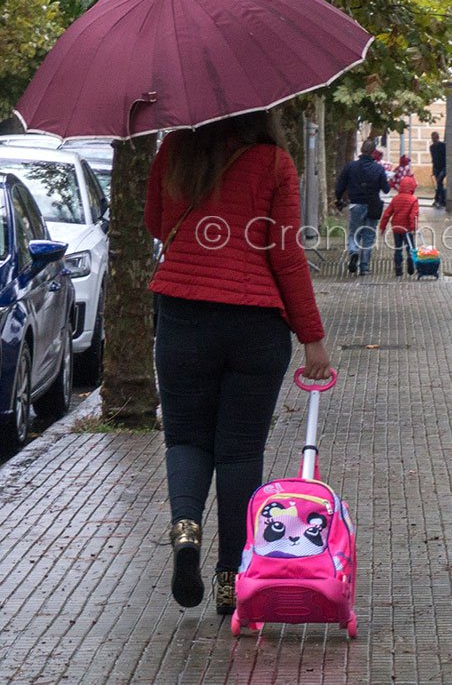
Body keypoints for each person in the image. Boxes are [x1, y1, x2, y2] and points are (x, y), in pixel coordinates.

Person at [145, 110, 332, 616]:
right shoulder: (273, 162)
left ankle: (186, 532)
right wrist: (312, 337)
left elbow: (157, 225)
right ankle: (232, 576)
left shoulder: (175, 151)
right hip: (255, 327)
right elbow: (286, 256)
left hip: (182, 316)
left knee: (185, 439)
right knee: (239, 452)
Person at [334, 138, 391, 275]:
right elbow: (386, 189)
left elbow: (340, 186)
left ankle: (354, 252)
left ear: (361, 150)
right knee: (368, 236)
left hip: (355, 205)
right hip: (372, 206)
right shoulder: (378, 168)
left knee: (354, 233)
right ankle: (364, 267)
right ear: (373, 152)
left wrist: (339, 198)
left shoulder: (350, 167)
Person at [379, 175, 419, 277]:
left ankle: (398, 269)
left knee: (398, 248)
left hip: (396, 228)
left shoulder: (395, 199)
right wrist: (413, 227)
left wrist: (382, 227)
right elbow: (413, 216)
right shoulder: (413, 200)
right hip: (407, 229)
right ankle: (411, 262)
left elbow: (387, 214)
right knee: (410, 247)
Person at [429, 131, 446, 209]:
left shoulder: (443, 145)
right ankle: (441, 200)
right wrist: (433, 170)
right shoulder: (431, 147)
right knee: (439, 184)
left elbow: (445, 157)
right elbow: (433, 159)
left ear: (438, 138)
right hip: (436, 168)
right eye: (433, 138)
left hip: (443, 167)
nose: (434, 140)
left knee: (439, 181)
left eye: (435, 138)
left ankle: (437, 199)